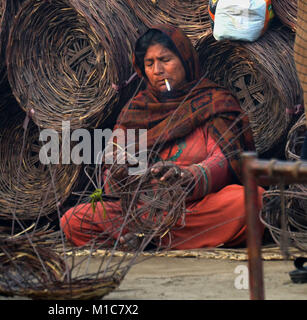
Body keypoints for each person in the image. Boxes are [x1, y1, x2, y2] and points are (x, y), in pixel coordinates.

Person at [60, 24, 264, 250]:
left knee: (251, 200)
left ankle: (150, 240)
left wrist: (187, 176)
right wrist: (119, 172)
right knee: (74, 220)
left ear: (185, 60)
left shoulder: (214, 102)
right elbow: (111, 180)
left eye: (165, 60)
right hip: (141, 211)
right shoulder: (135, 110)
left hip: (193, 207)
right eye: (149, 63)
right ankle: (155, 236)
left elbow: (225, 161)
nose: (158, 70)